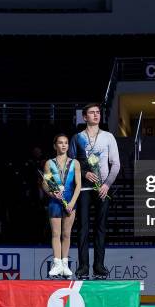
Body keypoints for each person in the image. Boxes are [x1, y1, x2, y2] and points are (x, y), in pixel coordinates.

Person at [69, 103, 120, 280]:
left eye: (98, 112)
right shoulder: (77, 138)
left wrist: (107, 185)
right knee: (83, 228)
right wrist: (83, 173)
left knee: (100, 228)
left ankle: (99, 267)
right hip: (83, 189)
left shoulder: (108, 137)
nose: (96, 115)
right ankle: (83, 267)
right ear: (85, 117)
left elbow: (116, 164)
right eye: (92, 113)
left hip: (102, 189)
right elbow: (71, 164)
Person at [42, 134, 81, 278]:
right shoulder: (49, 163)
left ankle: (65, 264)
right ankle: (57, 263)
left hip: (71, 201)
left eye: (66, 143)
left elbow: (78, 185)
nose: (63, 145)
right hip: (55, 202)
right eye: (60, 143)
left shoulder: (75, 163)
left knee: (66, 234)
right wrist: (52, 194)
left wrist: (72, 202)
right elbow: (45, 183)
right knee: (56, 234)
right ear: (55, 146)